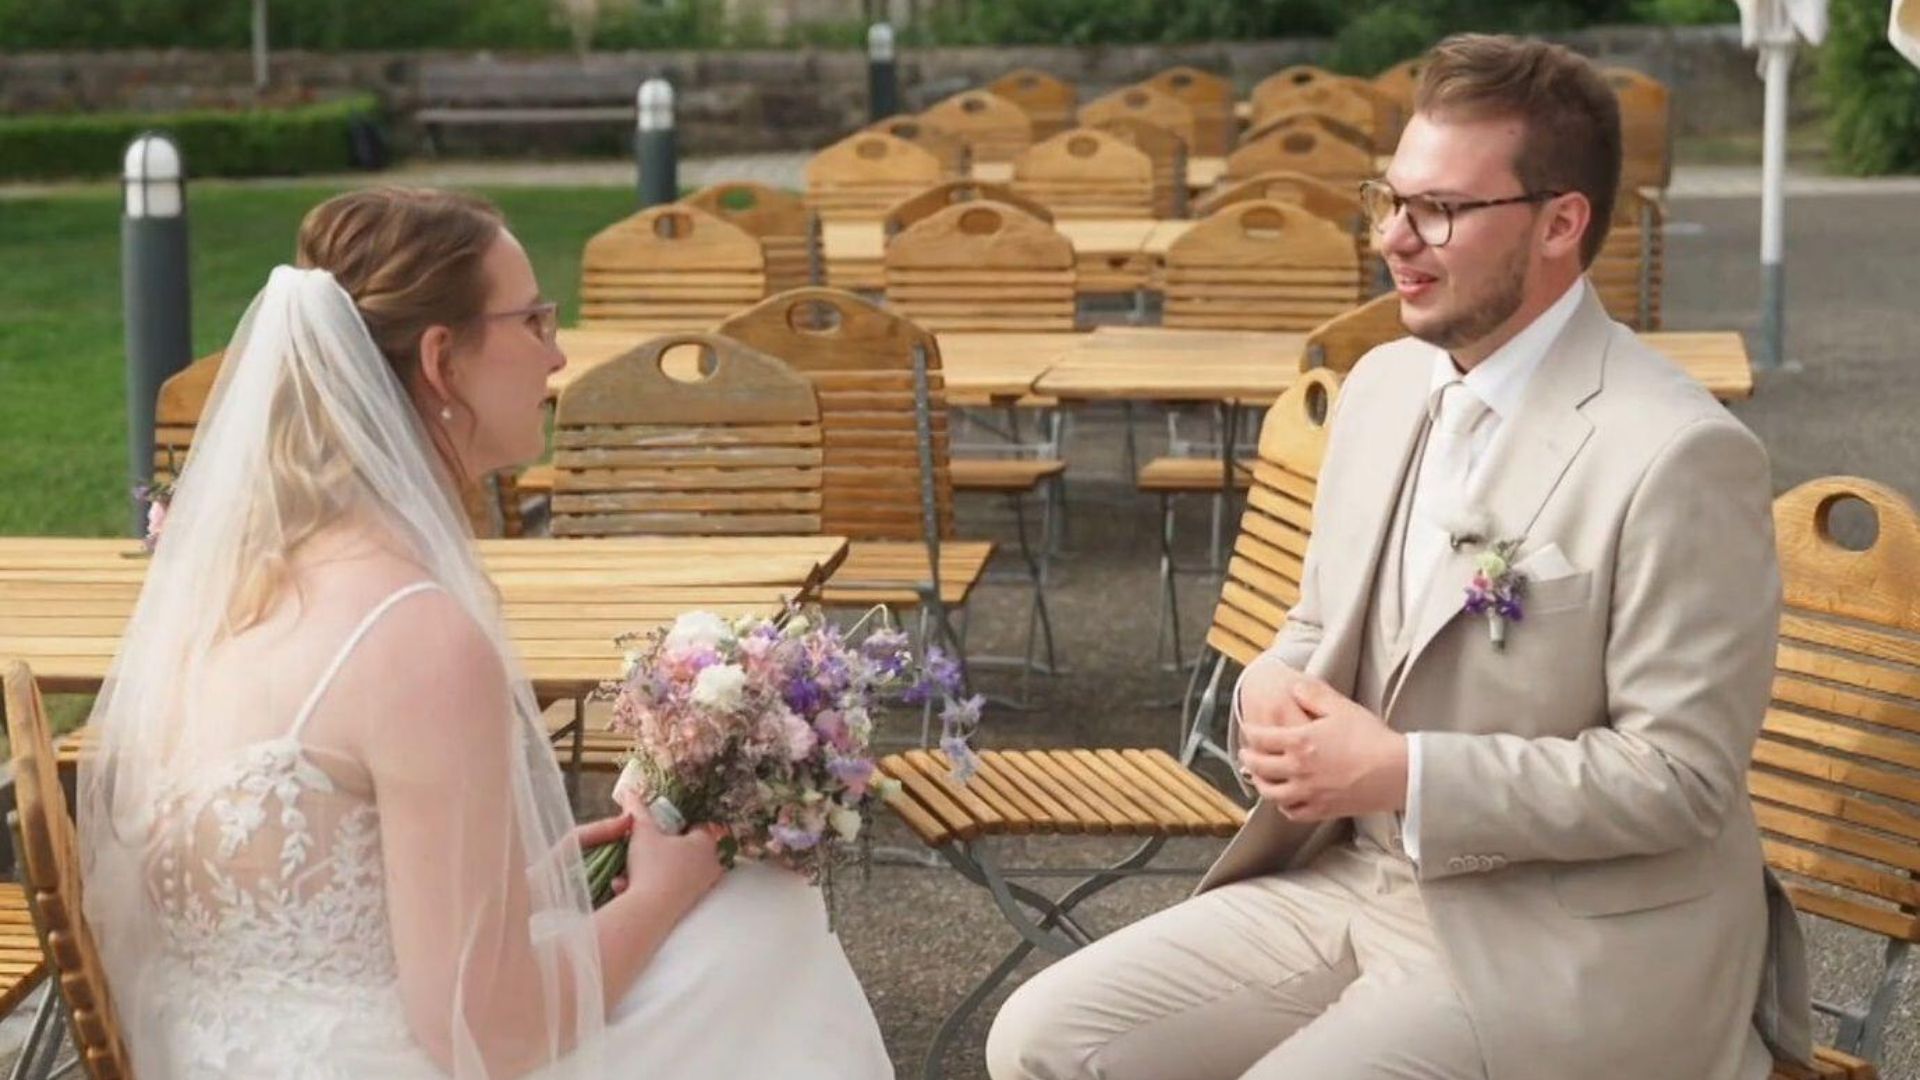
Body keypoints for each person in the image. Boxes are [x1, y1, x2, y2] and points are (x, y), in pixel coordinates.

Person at [986, 35, 1809, 1080]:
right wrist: (1270, 692)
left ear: (1563, 222)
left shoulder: (1681, 453)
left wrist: (1405, 772)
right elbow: (1321, 627)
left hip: (1572, 937)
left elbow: (1681, 781)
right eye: (1389, 198)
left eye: (1443, 211)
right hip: (1352, 879)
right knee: (1041, 1040)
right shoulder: (1380, 384)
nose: (1394, 239)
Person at [77, 187, 894, 1079]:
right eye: (534, 319)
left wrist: (517, 885)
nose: (559, 351)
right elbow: (490, 1035)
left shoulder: (249, 583)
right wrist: (662, 894)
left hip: (219, 1052)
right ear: (441, 358)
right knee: (762, 924)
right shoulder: (414, 636)